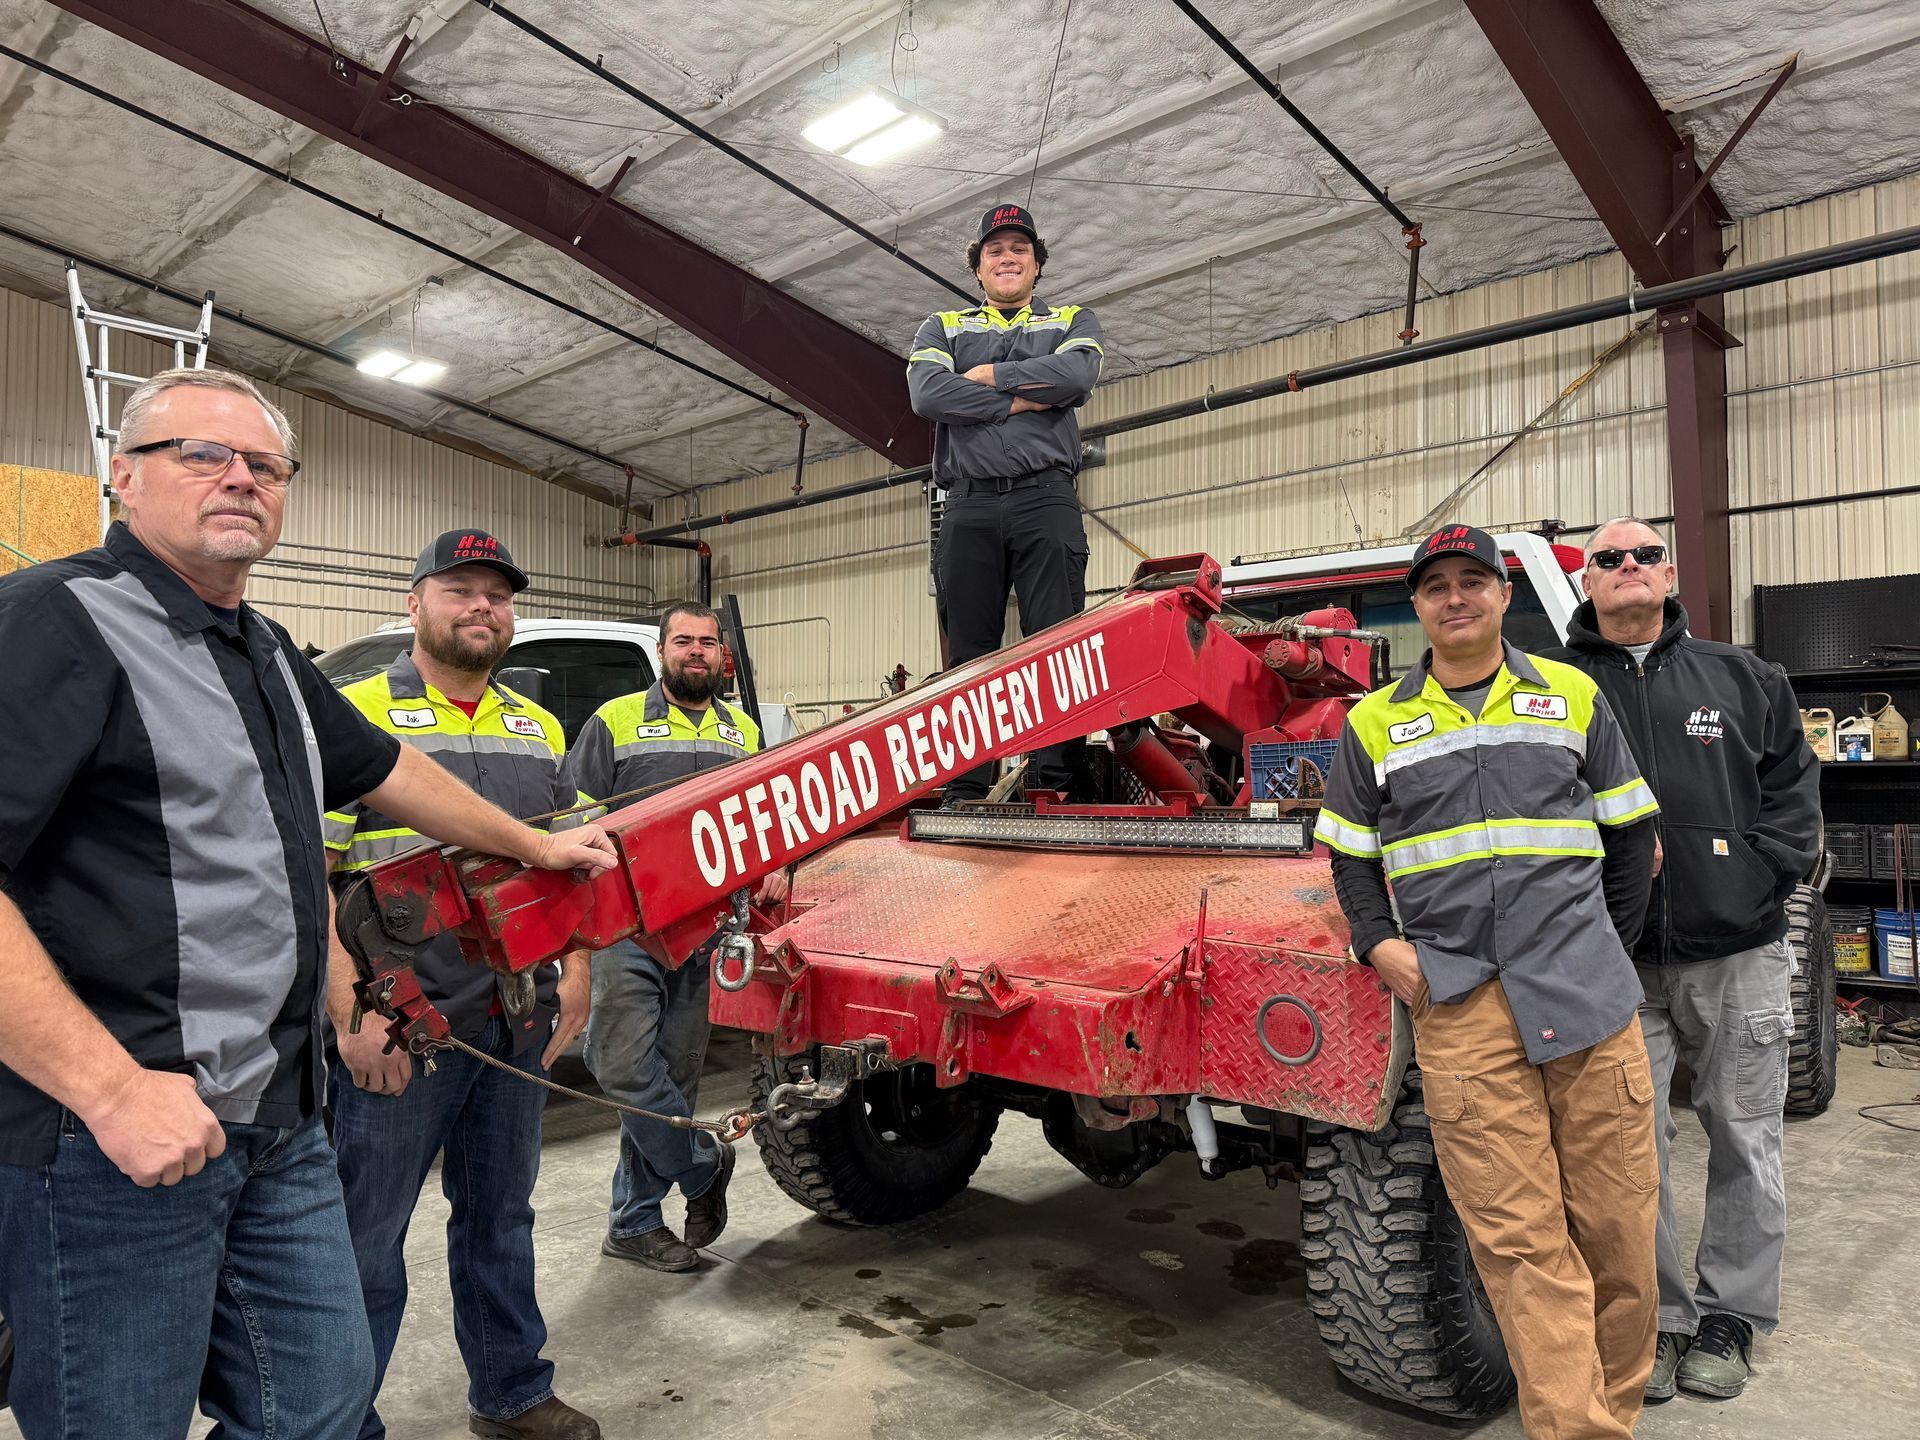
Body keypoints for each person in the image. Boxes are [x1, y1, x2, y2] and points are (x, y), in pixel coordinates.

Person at [0, 370, 614, 1439]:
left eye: (265, 464)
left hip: (278, 1127)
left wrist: (537, 846)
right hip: (114, 1143)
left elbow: (391, 770)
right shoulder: (56, 621)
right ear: (124, 476)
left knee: (324, 1403)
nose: (239, 478)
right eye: (202, 453)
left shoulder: (270, 652)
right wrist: (107, 1092)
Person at [1316, 523, 1663, 1439]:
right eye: (1438, 587)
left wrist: (1608, 952)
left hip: (1587, 1001)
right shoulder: (1375, 723)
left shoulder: (1572, 694)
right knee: (1519, 1244)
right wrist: (1377, 945)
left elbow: (1630, 836)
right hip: (1464, 1009)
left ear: (1505, 596)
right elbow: (1350, 857)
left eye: (1475, 581)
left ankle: (1611, 1411)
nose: (1457, 598)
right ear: (1419, 607)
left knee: (1620, 1233)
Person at [324, 529, 601, 1440]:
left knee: (501, 1218)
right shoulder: (353, 712)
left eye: (498, 593)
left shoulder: (539, 725)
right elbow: (311, 876)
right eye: (460, 589)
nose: (482, 606)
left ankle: (512, 1392)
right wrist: (349, 1015)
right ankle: (339, 1420)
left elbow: (572, 867)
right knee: (363, 1238)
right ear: (414, 604)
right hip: (402, 1023)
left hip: (513, 1016)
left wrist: (578, 972)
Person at [1551, 517, 1821, 1403]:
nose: (1628, 568)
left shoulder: (1746, 677)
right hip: (1614, 960)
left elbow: (1792, 789)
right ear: (1586, 582)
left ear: (1670, 574)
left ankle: (1733, 1315)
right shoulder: (1553, 689)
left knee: (1745, 1134)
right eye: (1608, 559)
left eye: (1645, 555)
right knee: (1635, 1152)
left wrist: (1756, 870)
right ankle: (1659, 1321)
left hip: (1735, 951)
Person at [560, 600, 771, 1272]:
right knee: (620, 1066)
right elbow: (575, 818)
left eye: (708, 643)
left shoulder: (743, 732)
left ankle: (634, 1224)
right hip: (626, 928)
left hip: (706, 931)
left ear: (721, 655)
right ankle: (705, 1164)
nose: (697, 652)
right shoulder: (615, 722)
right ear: (662, 651)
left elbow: (757, 821)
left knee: (672, 1083)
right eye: (684, 641)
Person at [907, 203, 1104, 803]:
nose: (1007, 258)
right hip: (966, 506)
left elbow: (1075, 381)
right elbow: (927, 395)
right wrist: (1025, 399)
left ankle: (1054, 784)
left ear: (1037, 264)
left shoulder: (1074, 317)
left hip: (1046, 498)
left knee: (1055, 646)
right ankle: (966, 788)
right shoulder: (940, 326)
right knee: (969, 650)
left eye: (1019, 249)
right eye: (995, 251)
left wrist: (988, 376)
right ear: (978, 268)